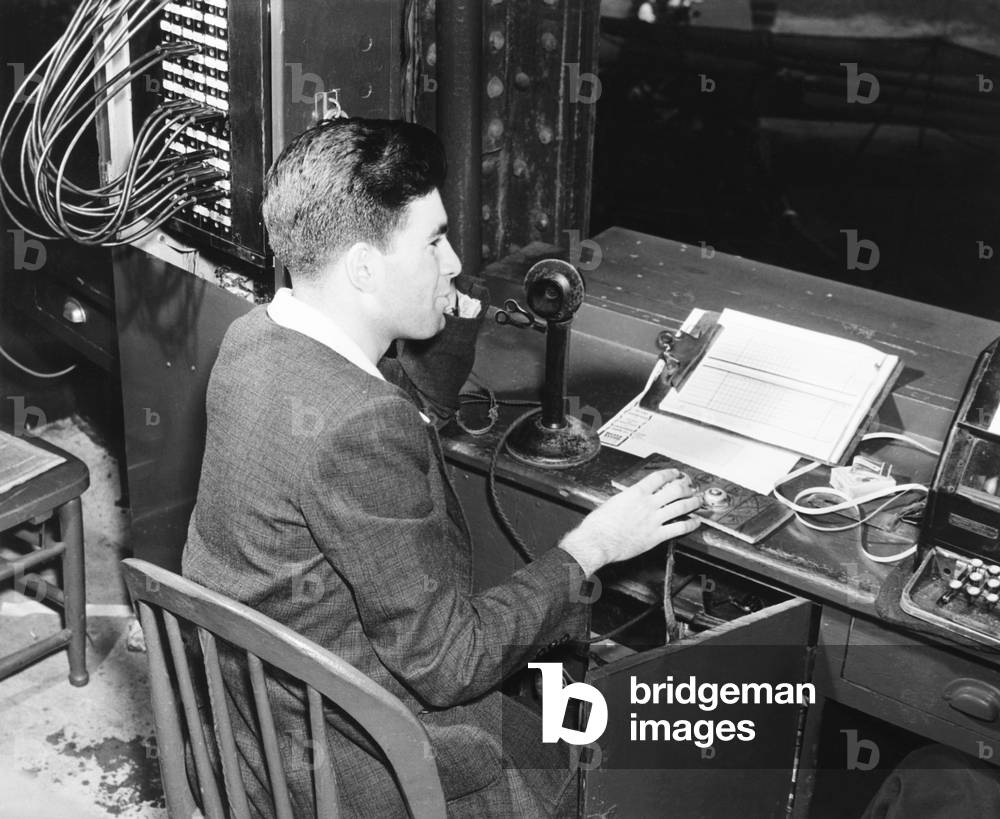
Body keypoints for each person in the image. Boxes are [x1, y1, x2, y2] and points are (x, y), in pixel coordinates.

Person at [181, 116, 700, 817]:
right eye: (433, 241)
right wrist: (595, 545)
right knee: (623, 746)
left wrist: (442, 316)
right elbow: (449, 664)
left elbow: (395, 406)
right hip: (358, 766)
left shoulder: (251, 340)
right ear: (363, 267)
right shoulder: (360, 425)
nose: (453, 261)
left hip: (254, 725)